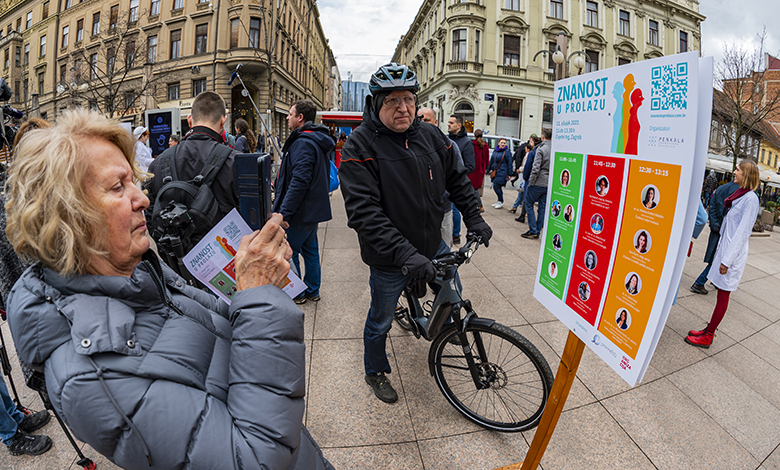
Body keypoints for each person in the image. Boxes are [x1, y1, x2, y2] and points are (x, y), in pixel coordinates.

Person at [4, 109, 333, 469]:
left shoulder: (140, 273)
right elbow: (255, 460)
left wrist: (248, 282)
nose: (142, 198)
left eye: (134, 181)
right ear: (67, 217)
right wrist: (259, 295)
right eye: (118, 186)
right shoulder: (90, 377)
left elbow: (227, 335)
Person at [339, 63, 492, 404]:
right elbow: (364, 214)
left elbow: (458, 180)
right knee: (380, 320)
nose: (403, 108)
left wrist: (475, 218)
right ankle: (374, 370)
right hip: (389, 256)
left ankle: (445, 325)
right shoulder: (359, 146)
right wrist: (406, 255)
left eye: (408, 99)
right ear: (376, 104)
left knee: (453, 289)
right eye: (392, 100)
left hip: (430, 243)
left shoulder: (432, 136)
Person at [685, 160, 761, 348]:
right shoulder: (740, 195)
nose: (734, 172)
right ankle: (708, 329)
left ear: (746, 174)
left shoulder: (751, 199)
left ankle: (708, 335)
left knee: (723, 296)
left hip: (732, 257)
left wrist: (726, 261)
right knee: (720, 294)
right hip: (725, 251)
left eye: (738, 170)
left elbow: (742, 233)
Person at [145, 91, 239, 234]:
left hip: (174, 254)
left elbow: (150, 217)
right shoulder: (237, 162)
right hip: (228, 252)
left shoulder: (157, 163)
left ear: (189, 120)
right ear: (223, 121)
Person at [273, 99, 334, 304]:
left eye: (290, 114)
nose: (288, 117)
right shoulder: (315, 139)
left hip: (300, 212)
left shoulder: (303, 142)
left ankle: (298, 293)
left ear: (300, 118)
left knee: (290, 251)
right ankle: (313, 290)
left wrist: (284, 213)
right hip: (312, 211)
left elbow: (299, 181)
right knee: (311, 251)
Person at [418, 107, 463, 247]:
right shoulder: (408, 145)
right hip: (417, 210)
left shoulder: (450, 145)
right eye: (419, 119)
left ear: (435, 122)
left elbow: (458, 177)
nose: (422, 123)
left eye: (427, 120)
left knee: (443, 250)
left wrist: (445, 195)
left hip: (443, 208)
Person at [690, 176, 739, 295]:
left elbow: (711, 205)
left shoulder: (722, 188)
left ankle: (713, 281)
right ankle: (700, 282)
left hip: (717, 227)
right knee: (718, 258)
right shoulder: (739, 192)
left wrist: (714, 223)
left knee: (716, 256)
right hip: (725, 230)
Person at [447, 115, 476, 244]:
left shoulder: (466, 142)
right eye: (448, 122)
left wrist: (457, 173)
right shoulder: (446, 139)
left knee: (454, 209)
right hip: (444, 181)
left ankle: (456, 234)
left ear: (459, 125)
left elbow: (470, 166)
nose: (448, 125)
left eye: (451, 123)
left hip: (456, 182)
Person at [523, 129, 552, 239]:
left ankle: (533, 229)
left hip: (538, 182)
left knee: (529, 204)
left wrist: (531, 182)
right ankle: (538, 230)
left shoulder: (541, 149)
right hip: (548, 183)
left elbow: (535, 168)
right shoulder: (554, 149)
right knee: (542, 207)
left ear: (543, 136)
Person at [510, 135, 536, 216]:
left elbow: (526, 165)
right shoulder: (531, 153)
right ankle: (516, 207)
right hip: (527, 175)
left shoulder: (530, 154)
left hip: (527, 176)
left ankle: (522, 212)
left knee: (524, 194)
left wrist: (520, 169)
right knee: (522, 193)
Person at [516, 136, 539, 223]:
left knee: (527, 199)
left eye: (530, 141)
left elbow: (527, 166)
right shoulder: (539, 151)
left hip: (530, 177)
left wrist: (525, 176)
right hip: (538, 179)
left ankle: (524, 217)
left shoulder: (532, 153)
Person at [486, 138, 513, 209]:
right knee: (497, 186)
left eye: (504, 143)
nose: (503, 144)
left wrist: (510, 173)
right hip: (496, 171)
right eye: (502, 143)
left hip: (503, 171)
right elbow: (491, 160)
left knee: (496, 186)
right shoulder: (496, 150)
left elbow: (510, 163)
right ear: (498, 143)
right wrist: (488, 170)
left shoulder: (507, 152)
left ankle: (501, 201)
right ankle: (499, 200)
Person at [471, 129, 489, 213]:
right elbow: (487, 159)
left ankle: (479, 205)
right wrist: (485, 168)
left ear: (474, 136)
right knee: (475, 188)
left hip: (472, 170)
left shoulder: (472, 144)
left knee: (473, 188)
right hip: (481, 170)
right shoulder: (485, 146)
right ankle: (476, 205)